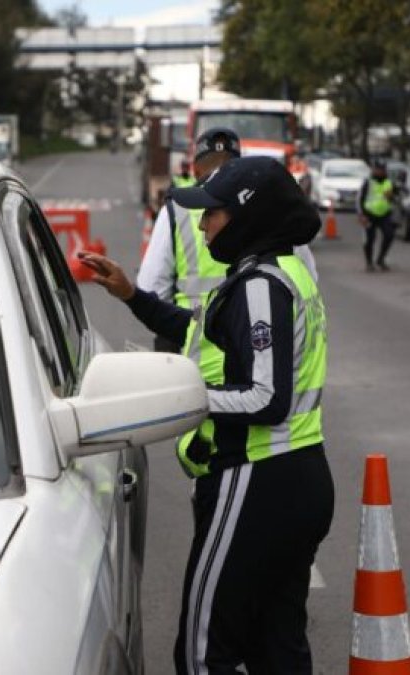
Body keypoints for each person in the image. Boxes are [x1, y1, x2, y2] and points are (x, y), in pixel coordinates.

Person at [79, 157, 335, 674]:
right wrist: (132, 296)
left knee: (202, 654)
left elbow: (266, 399)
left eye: (212, 215)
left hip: (258, 478)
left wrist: (187, 396)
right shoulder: (278, 273)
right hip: (299, 475)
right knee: (277, 647)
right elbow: (201, 330)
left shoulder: (261, 285)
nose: (201, 226)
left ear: (247, 216)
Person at [139, 128, 243, 352]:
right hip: (249, 345)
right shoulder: (260, 206)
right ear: (239, 168)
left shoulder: (176, 210)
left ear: (195, 170)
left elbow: (151, 289)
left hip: (189, 350)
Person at [357, 159, 396, 272]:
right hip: (369, 214)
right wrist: (361, 215)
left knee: (389, 235)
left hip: (385, 214)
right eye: (378, 169)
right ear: (374, 170)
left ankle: (381, 259)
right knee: (370, 239)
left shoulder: (388, 182)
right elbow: (360, 199)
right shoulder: (368, 182)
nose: (380, 171)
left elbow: (393, 198)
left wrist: (391, 197)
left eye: (382, 169)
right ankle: (369, 263)